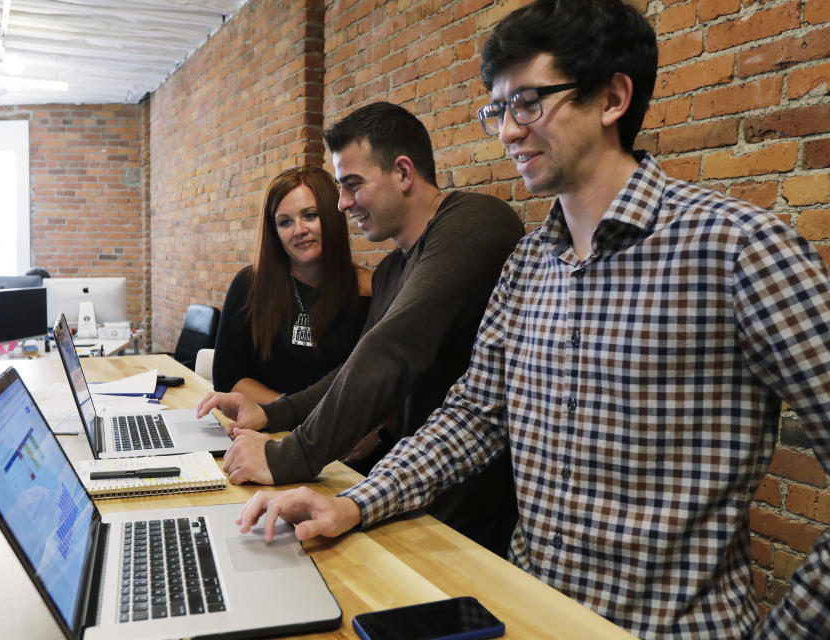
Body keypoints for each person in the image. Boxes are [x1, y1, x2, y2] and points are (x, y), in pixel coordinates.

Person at [233, 2, 830, 639]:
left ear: (612, 98)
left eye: (529, 103)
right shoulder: (527, 265)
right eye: (498, 109)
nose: (509, 131)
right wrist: (352, 502)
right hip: (518, 611)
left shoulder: (738, 248)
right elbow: (474, 416)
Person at [198, 101, 525, 555]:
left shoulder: (474, 222)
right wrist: (274, 416)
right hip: (408, 492)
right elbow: (356, 365)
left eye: (353, 186)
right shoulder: (394, 269)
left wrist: (286, 455)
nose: (342, 204)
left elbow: (391, 354)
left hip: (470, 513)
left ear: (404, 173)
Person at [212, 166, 371, 404]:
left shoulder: (369, 290)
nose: (299, 230)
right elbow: (228, 377)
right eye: (285, 222)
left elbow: (373, 388)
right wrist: (290, 414)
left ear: (331, 217)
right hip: (263, 431)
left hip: (338, 436)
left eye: (310, 215)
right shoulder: (249, 286)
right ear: (274, 232)